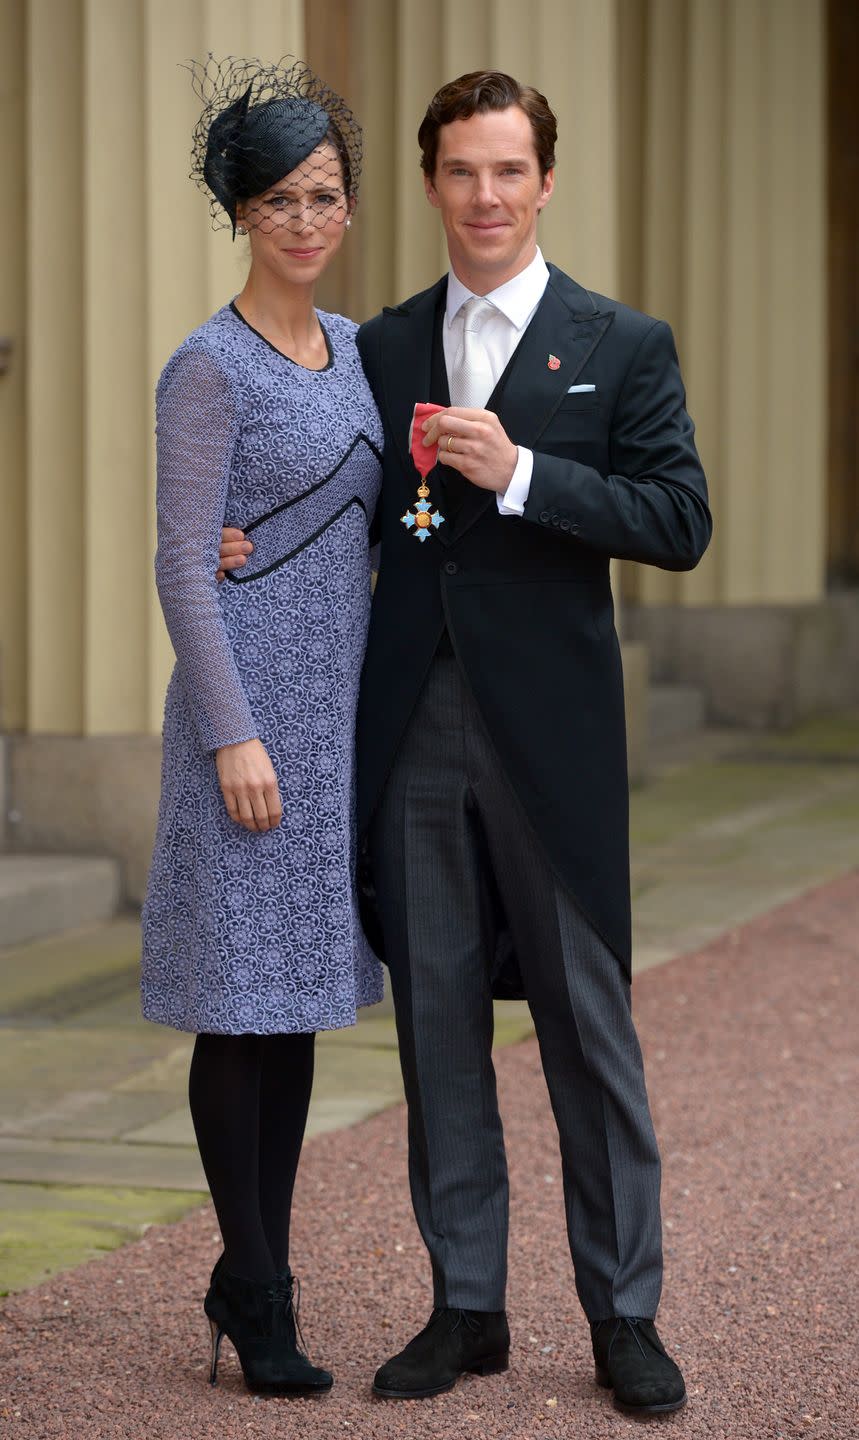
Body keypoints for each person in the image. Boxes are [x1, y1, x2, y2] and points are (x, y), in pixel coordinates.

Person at [219, 70, 712, 1418]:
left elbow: (682, 519)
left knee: (586, 1029)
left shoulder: (623, 342)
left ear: (546, 182)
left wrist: (532, 477)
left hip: (552, 738)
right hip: (413, 727)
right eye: (461, 173)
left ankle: (624, 1315)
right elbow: (328, 488)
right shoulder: (380, 347)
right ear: (432, 187)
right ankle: (468, 1306)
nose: (485, 197)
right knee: (436, 1027)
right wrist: (238, 538)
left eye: (509, 172)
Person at [140, 56, 383, 1396]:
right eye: (279, 198)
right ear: (240, 212)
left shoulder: (357, 348)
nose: (305, 218)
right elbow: (185, 563)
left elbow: (385, 512)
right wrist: (233, 731)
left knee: (289, 1011)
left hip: (338, 722)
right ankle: (261, 1289)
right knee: (237, 1010)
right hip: (247, 729)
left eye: (325, 194)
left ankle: (252, 1270)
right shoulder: (206, 369)